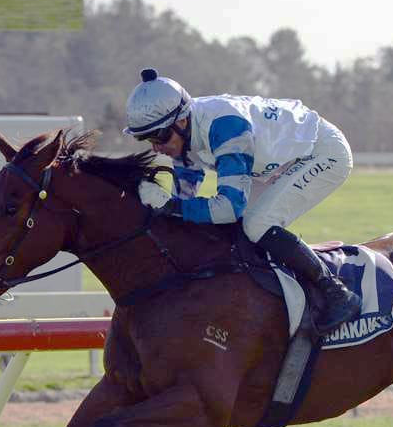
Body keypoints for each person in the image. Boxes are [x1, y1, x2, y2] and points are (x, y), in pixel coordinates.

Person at [124, 68, 362, 334]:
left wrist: (170, 207)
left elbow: (228, 207)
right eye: (147, 139)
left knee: (256, 224)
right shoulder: (184, 133)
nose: (156, 147)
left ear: (181, 121)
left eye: (160, 137)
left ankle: (336, 293)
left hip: (322, 152)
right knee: (236, 233)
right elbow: (184, 201)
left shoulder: (225, 127)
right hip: (273, 165)